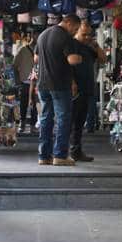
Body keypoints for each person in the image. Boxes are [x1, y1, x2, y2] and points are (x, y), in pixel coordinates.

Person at [34, 14, 82, 166]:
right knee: (63, 119)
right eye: (75, 28)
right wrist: (80, 58)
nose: (75, 32)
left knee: (46, 118)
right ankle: (60, 155)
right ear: (68, 23)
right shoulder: (65, 37)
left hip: (43, 84)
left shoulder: (43, 35)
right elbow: (72, 60)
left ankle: (44, 156)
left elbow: (36, 58)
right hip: (60, 84)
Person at [70, 22, 105, 162]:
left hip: (87, 88)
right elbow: (66, 65)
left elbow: (103, 59)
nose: (86, 37)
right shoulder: (72, 45)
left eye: (89, 35)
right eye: (83, 34)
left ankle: (76, 151)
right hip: (75, 90)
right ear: (76, 32)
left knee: (79, 123)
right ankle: (62, 152)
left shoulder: (89, 47)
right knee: (70, 122)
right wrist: (72, 82)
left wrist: (96, 45)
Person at [13, 33, 38, 132]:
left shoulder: (41, 50)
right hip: (25, 82)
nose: (36, 38)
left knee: (35, 105)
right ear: (31, 37)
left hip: (37, 82)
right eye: (35, 36)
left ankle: (33, 124)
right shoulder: (23, 50)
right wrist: (18, 81)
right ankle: (22, 122)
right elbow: (15, 65)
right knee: (23, 104)